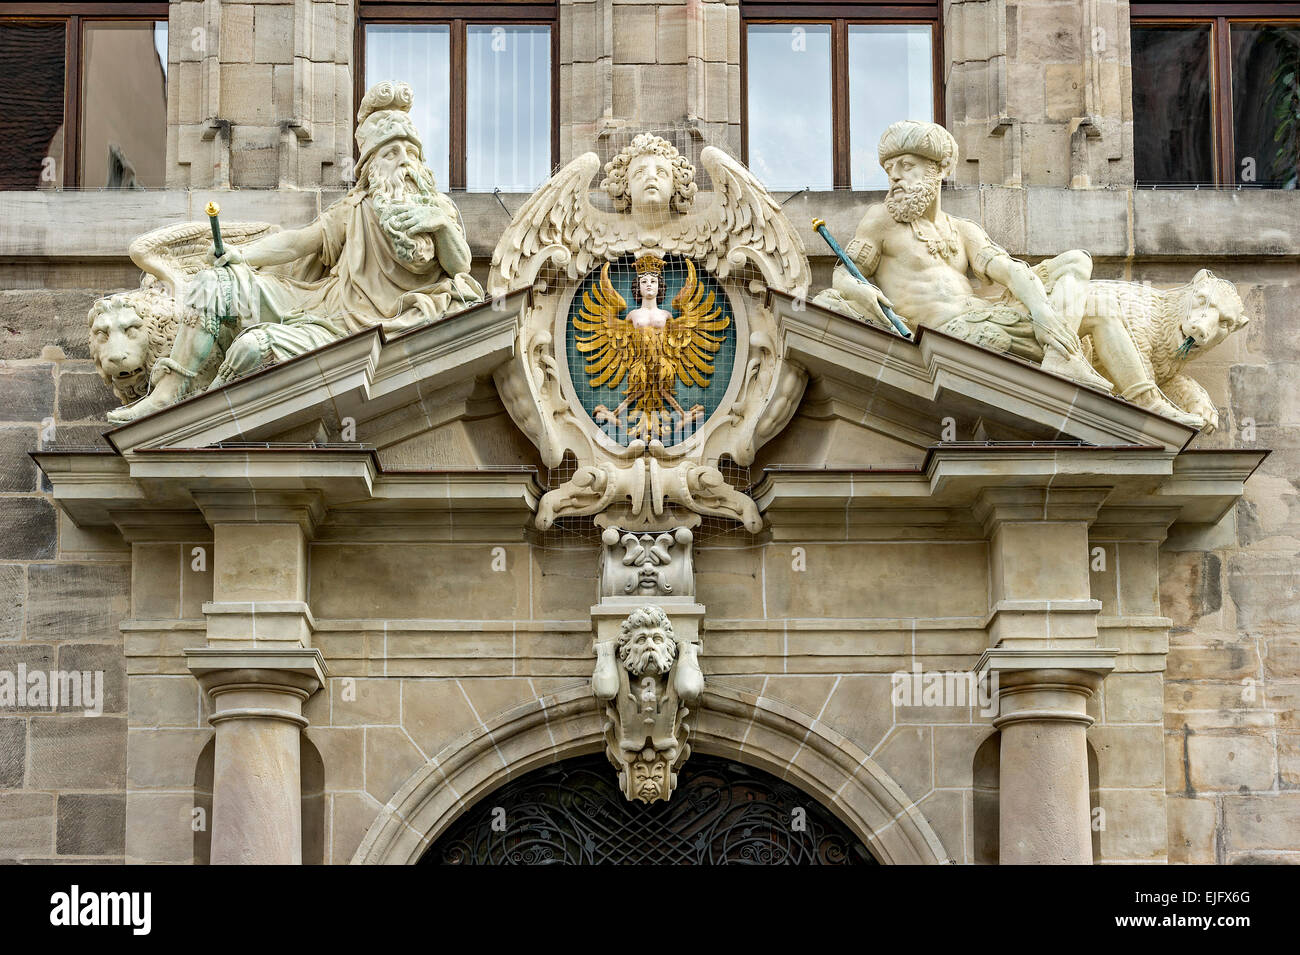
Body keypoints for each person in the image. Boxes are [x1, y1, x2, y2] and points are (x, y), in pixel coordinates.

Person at [109, 80, 483, 424]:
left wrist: (438, 222)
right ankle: (168, 392)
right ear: (370, 169)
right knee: (215, 282)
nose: (402, 160)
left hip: (369, 332)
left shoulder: (437, 207)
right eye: (390, 153)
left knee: (255, 348)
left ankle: (210, 416)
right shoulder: (354, 209)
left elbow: (459, 265)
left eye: (408, 152)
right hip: (332, 312)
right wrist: (244, 256)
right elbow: (296, 242)